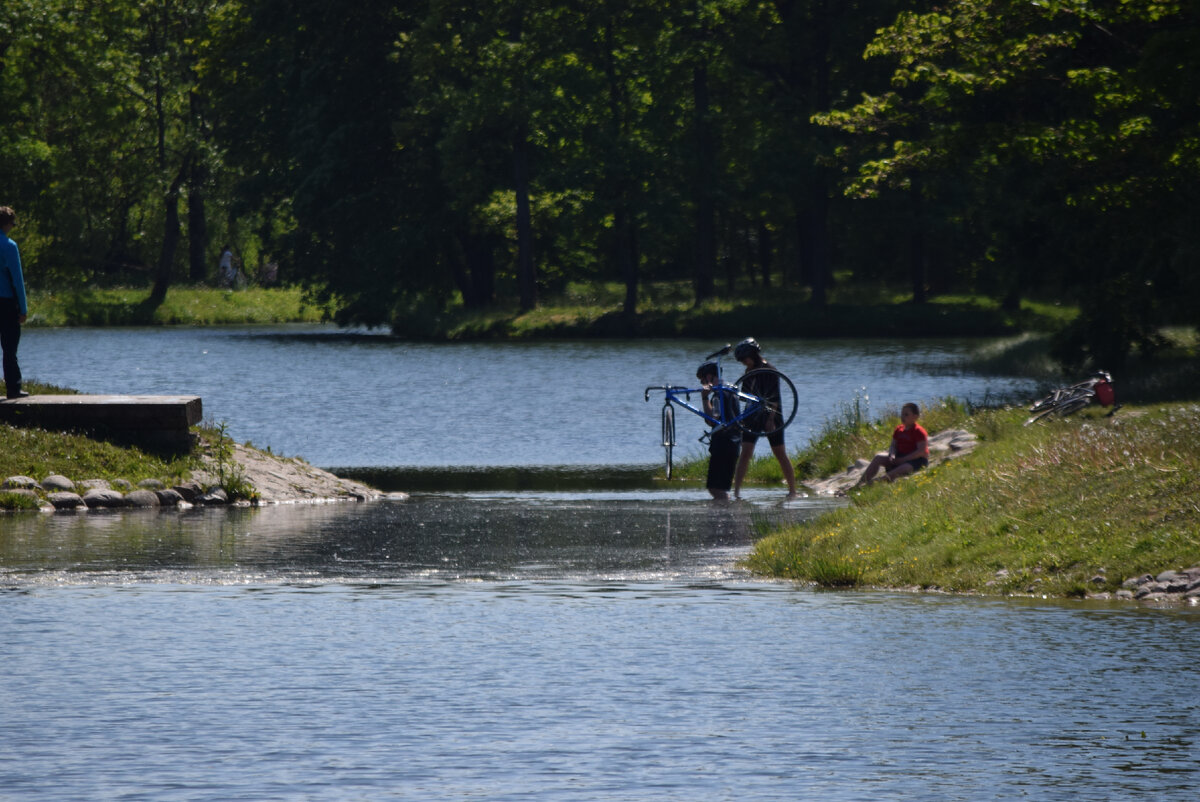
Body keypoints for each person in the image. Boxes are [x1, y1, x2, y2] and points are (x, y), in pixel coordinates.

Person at [730, 337, 797, 499]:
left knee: (780, 453)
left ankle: (793, 490)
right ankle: (736, 492)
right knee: (745, 452)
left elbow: (773, 398)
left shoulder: (770, 371)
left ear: (753, 355)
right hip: (752, 416)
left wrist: (770, 420)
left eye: (745, 359)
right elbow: (745, 397)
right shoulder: (748, 372)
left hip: (772, 416)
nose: (744, 363)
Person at [850, 402, 929, 489]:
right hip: (900, 457)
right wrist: (892, 454)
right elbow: (893, 445)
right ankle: (860, 483)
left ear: (915, 417)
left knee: (904, 467)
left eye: (906, 414)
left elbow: (921, 451)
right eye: (902, 414)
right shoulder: (899, 429)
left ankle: (877, 482)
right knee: (878, 457)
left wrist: (904, 460)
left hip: (915, 461)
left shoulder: (919, 431)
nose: (903, 417)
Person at [697, 361, 741, 501]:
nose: (702, 383)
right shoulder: (730, 390)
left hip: (723, 443)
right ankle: (727, 515)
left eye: (702, 380)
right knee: (720, 488)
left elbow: (712, 420)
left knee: (715, 488)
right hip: (733, 442)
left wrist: (704, 398)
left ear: (709, 376)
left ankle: (726, 517)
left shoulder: (718, 395)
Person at [0, 206, 29, 400]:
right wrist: (23, 309)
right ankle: (13, 388)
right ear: (7, 224)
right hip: (6, 302)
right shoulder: (9, 246)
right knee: (10, 348)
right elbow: (17, 281)